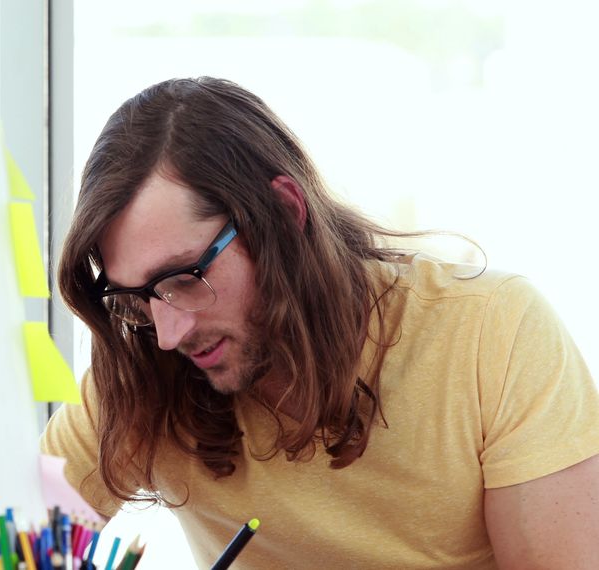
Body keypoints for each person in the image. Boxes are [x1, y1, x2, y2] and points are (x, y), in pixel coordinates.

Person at [41, 77, 599, 569]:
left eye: (186, 277)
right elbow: (20, 545)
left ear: (283, 212)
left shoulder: (492, 334)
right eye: (136, 297)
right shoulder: (143, 373)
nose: (168, 333)